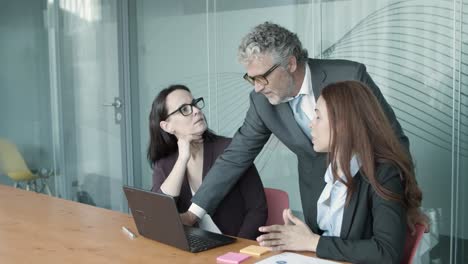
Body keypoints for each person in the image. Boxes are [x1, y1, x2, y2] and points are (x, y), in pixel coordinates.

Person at [181, 22, 428, 233]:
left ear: (290, 63)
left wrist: (409, 204)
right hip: (317, 201)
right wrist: (193, 214)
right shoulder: (262, 102)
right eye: (250, 78)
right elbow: (235, 157)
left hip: (369, 198)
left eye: (262, 77)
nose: (256, 87)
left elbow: (392, 141)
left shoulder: (349, 76)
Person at [257, 80, 422, 263]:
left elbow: (386, 253)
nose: (311, 124)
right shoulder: (327, 167)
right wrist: (299, 236)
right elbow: (330, 236)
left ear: (343, 124)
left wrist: (313, 242)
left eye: (318, 117)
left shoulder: (384, 174)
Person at [148, 84, 267, 240]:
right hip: (191, 248)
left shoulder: (232, 150)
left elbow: (257, 210)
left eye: (195, 104)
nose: (196, 111)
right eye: (185, 109)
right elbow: (160, 214)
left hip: (235, 248)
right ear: (167, 126)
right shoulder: (164, 163)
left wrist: (239, 250)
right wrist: (182, 159)